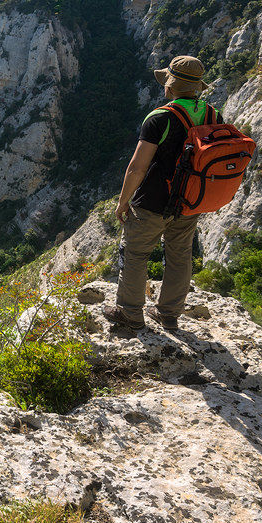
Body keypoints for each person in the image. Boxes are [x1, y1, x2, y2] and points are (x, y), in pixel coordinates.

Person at [103, 55, 218, 331]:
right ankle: (169, 314)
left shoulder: (160, 118)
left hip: (153, 201)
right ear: (196, 87)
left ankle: (130, 313)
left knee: (135, 252)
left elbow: (137, 168)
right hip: (189, 202)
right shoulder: (213, 115)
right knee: (180, 255)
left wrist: (122, 202)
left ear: (169, 86)